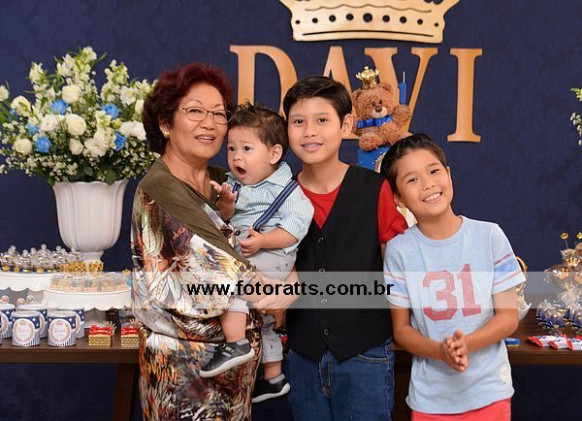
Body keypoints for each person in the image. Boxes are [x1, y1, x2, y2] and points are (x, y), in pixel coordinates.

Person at [131, 62, 265, 421]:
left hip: (235, 363)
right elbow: (211, 262)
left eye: (219, 114)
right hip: (184, 366)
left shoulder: (226, 181)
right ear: (165, 123)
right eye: (195, 111)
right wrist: (276, 289)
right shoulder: (159, 187)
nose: (210, 123)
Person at [281, 76, 408, 421]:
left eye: (322, 120)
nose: (309, 131)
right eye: (298, 121)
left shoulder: (375, 189)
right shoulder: (280, 195)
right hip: (303, 353)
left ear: (346, 125)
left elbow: (398, 263)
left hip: (365, 353)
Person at [382, 133, 523, 420]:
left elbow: (508, 318)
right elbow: (402, 330)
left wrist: (467, 344)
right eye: (412, 179)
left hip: (489, 392)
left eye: (433, 171)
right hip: (430, 400)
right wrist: (439, 351)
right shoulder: (399, 251)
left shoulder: (489, 236)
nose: (428, 184)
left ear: (448, 174)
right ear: (398, 197)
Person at [200, 103, 314, 404]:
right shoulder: (235, 183)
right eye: (232, 148)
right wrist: (226, 204)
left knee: (233, 288)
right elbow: (227, 218)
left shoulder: (284, 189)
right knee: (263, 320)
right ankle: (274, 378)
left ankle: (236, 343)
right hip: (253, 251)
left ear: (274, 154)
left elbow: (297, 225)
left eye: (247, 149)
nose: (237, 156)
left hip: (274, 255)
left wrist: (264, 241)